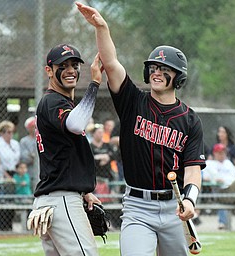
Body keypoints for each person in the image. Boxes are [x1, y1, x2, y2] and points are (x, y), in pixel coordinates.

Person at [77, 3, 206, 255]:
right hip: (137, 206)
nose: (157, 73)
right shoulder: (133, 101)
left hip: (173, 208)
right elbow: (111, 63)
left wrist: (190, 200)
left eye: (165, 69)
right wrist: (102, 28)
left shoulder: (190, 120)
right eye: (154, 68)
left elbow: (192, 171)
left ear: (178, 77)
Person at [30, 43, 103, 255]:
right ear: (49, 70)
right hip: (61, 200)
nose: (71, 70)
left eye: (74, 64)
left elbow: (65, 154)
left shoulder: (61, 104)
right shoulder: (53, 101)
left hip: (55, 197)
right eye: (63, 65)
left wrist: (84, 192)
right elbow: (76, 124)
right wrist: (95, 83)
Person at [90, 124, 116, 203]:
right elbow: (89, 159)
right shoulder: (90, 146)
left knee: (109, 198)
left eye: (102, 132)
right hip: (95, 176)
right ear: (93, 134)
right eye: (98, 132)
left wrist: (107, 157)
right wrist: (99, 158)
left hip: (107, 175)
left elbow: (114, 155)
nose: (100, 134)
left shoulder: (107, 145)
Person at [19, 116, 37, 191]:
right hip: (29, 169)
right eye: (32, 126)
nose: (35, 128)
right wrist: (34, 158)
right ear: (28, 128)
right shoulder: (24, 141)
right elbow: (24, 156)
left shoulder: (40, 138)